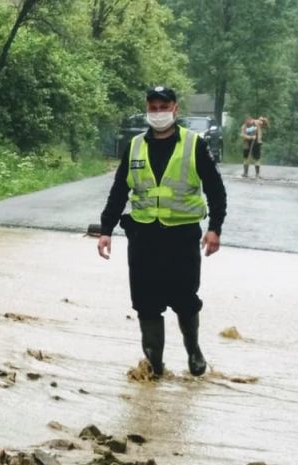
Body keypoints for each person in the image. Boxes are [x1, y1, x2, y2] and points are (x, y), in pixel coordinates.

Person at [97, 86, 227, 377]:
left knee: (185, 300)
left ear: (175, 109)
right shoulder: (134, 146)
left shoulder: (194, 145)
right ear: (147, 109)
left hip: (181, 237)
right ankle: (155, 366)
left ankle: (193, 350)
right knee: (146, 303)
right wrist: (106, 229)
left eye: (163, 107)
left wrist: (215, 228)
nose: (158, 113)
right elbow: (119, 190)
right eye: (153, 108)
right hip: (143, 237)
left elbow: (216, 190)